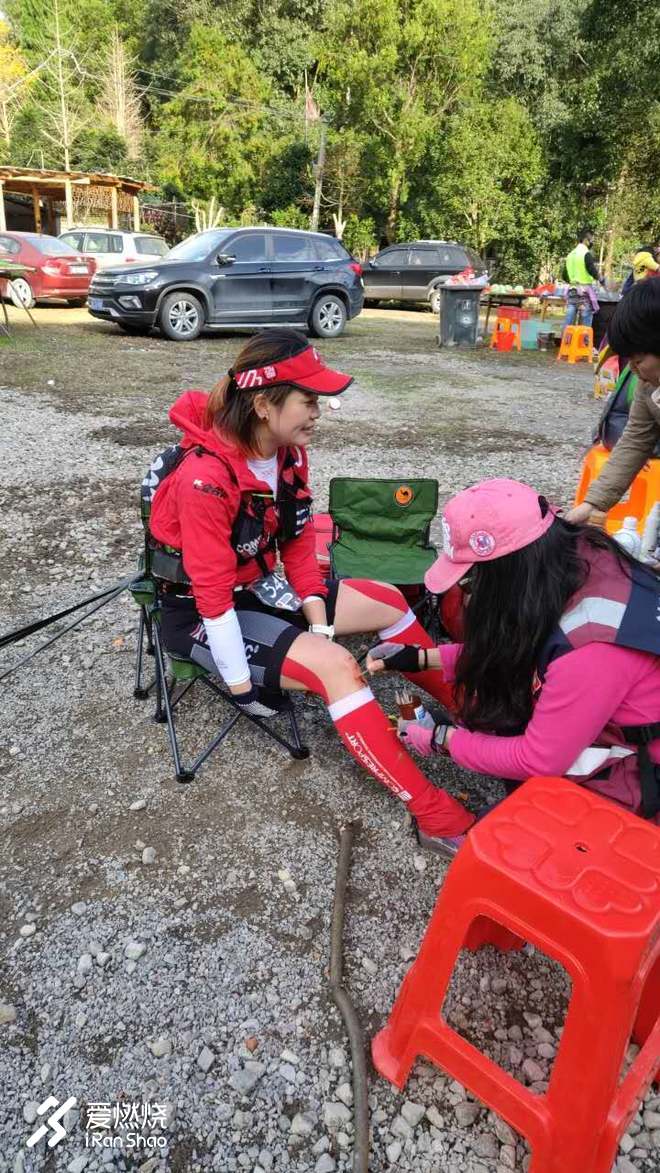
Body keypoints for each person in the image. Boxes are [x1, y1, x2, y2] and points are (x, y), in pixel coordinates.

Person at [147, 328, 474, 857]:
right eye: (308, 400)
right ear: (261, 404)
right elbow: (210, 594)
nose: (319, 412)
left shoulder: (288, 455)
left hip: (264, 588)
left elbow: (297, 545)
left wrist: (317, 619)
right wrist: (241, 687)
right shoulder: (205, 477)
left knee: (388, 599)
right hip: (203, 613)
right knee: (338, 667)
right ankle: (432, 813)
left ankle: (473, 717)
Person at [368, 479, 660, 830]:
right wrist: (419, 657)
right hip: (602, 716)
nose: (468, 590)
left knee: (511, 833)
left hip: (641, 771)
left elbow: (538, 758)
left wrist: (442, 738)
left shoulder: (592, 652)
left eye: (473, 578)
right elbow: (524, 650)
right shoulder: (576, 559)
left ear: (511, 570)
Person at [567, 279, 660, 526]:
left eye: (638, 360)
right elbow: (637, 438)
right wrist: (592, 504)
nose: (633, 369)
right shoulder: (648, 385)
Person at [561, 227, 601, 331]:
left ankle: (566, 343)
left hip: (572, 291)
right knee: (585, 323)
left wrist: (573, 280)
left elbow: (564, 275)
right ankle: (585, 344)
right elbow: (592, 270)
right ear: (585, 240)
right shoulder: (585, 253)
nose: (592, 242)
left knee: (569, 321)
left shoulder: (570, 255)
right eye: (591, 240)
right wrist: (602, 280)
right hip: (584, 294)